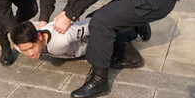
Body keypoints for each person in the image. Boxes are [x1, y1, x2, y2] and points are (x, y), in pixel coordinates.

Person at [11, 19, 149, 60]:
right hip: (75, 42)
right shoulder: (25, 41)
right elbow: (16, 43)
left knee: (116, 38)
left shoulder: (62, 38)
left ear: (39, 37)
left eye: (30, 48)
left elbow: (96, 24)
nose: (29, 53)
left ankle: (136, 25)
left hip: (88, 39)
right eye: (24, 51)